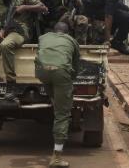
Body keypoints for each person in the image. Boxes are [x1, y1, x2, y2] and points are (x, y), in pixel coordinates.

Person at [35, 22, 80, 168]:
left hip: (41, 72)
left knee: (50, 83)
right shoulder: (72, 41)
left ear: (54, 31)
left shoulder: (43, 37)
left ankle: (55, 100)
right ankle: (56, 158)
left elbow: (39, 55)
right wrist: (69, 82)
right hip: (61, 73)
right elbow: (76, 65)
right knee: (62, 115)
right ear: (67, 33)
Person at [0, 0, 48, 101]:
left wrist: (25, 7)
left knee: (6, 45)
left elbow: (43, 8)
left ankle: (11, 84)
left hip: (20, 31)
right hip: (3, 29)